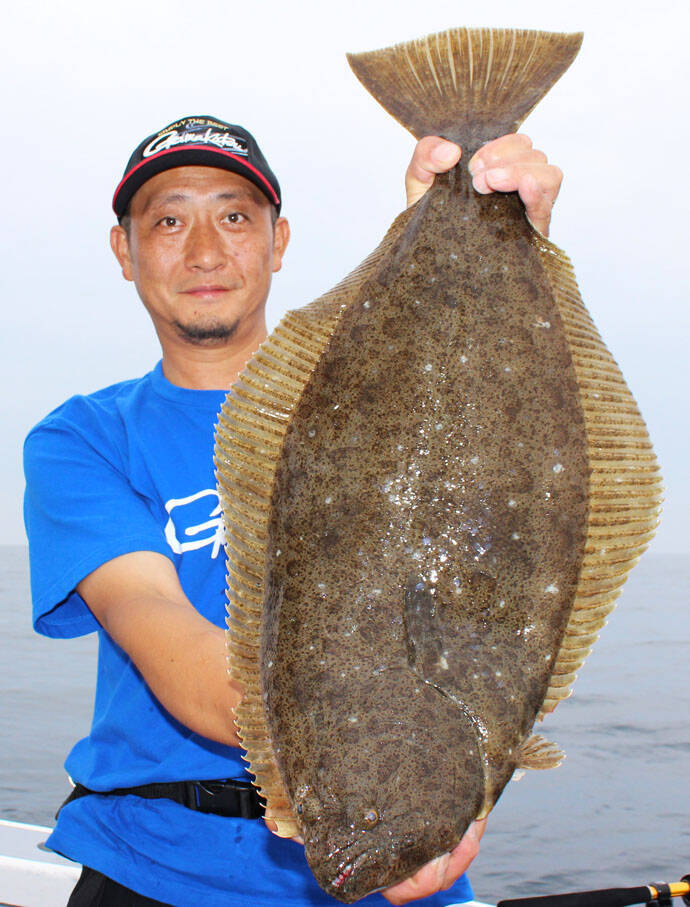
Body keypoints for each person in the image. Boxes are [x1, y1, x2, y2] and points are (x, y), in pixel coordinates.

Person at [23, 114, 563, 906]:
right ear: (123, 251)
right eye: (168, 220)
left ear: (278, 242)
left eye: (235, 217)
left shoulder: (391, 402)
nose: (205, 250)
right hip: (155, 866)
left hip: (394, 845)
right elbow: (160, 627)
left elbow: (503, 530)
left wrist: (501, 239)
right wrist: (363, 778)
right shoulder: (84, 439)